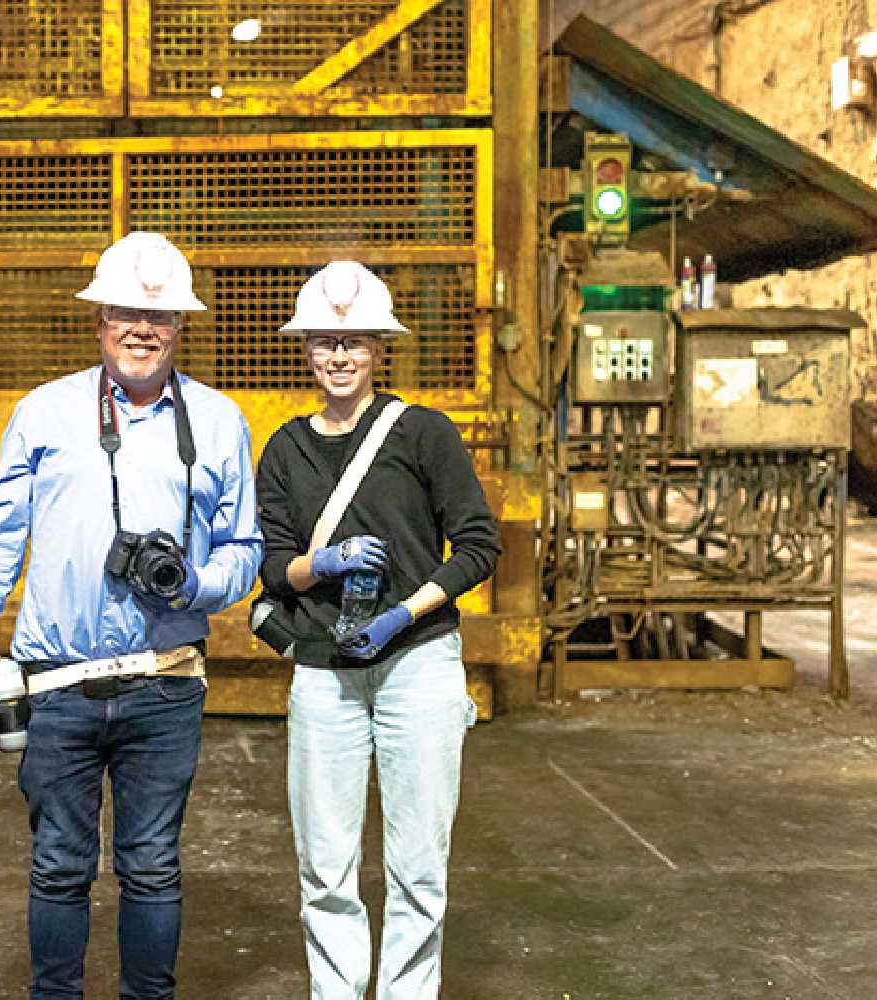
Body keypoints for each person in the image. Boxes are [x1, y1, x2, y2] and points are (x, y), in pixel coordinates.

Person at [0, 231, 263, 1000]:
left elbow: (244, 548)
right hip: (55, 684)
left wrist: (195, 589)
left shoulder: (218, 422)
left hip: (165, 684)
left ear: (182, 327)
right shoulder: (44, 413)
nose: (142, 329)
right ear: (98, 320)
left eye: (161, 317)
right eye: (125, 312)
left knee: (151, 864)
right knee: (59, 863)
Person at [254, 261, 500, 1000]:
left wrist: (406, 611)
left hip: (418, 665)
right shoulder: (284, 449)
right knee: (324, 863)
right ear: (304, 349)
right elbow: (271, 568)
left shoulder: (423, 434)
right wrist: (317, 564)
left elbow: (479, 544)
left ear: (378, 350)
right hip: (325, 674)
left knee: (418, 863)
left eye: (354, 341)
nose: (338, 355)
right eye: (325, 341)